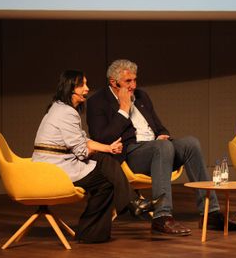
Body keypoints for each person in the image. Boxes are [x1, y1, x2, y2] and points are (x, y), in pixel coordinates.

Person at [86, 59, 236, 236]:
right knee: (162, 147)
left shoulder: (142, 96)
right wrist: (123, 109)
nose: (133, 85)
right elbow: (101, 138)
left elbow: (159, 126)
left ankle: (210, 213)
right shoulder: (97, 102)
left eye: (135, 80)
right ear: (114, 82)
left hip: (158, 147)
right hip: (130, 153)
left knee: (191, 143)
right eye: (128, 81)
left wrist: (163, 134)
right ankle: (162, 216)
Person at [31, 70, 159, 243]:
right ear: (71, 88)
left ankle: (94, 231)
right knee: (107, 172)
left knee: (107, 176)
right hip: (55, 170)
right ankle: (128, 205)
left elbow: (83, 140)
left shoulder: (61, 108)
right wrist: (104, 151)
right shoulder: (66, 113)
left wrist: (108, 147)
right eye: (82, 85)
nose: (87, 89)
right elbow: (82, 151)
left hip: (55, 165)